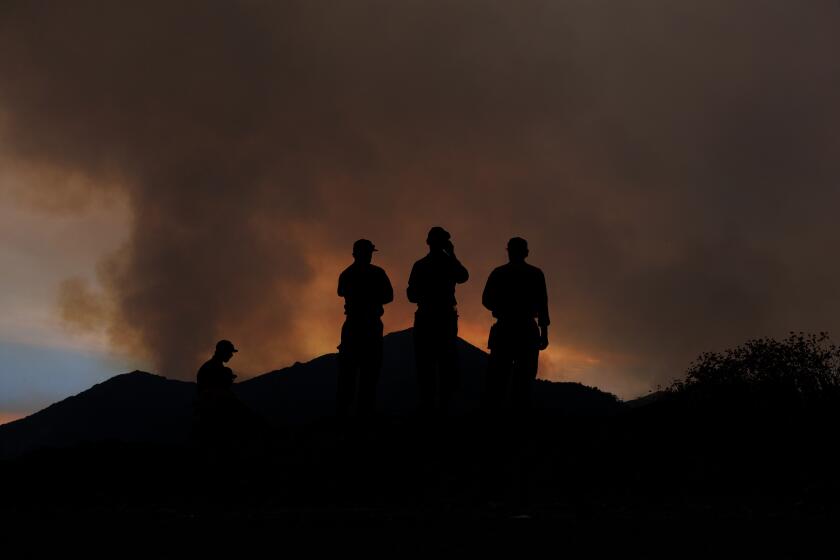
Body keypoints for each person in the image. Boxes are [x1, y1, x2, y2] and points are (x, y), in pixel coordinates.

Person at [481, 237, 549, 414]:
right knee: (523, 382)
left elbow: (486, 300)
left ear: (508, 251)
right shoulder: (535, 274)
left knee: (498, 380)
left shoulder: (499, 273)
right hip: (526, 330)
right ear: (526, 252)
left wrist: (501, 308)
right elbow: (543, 306)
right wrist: (544, 333)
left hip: (505, 329)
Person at [407, 226, 469, 414]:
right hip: (443, 318)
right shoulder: (448, 264)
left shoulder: (420, 265)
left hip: (427, 317)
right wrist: (453, 254)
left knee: (426, 363)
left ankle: (428, 405)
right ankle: (442, 407)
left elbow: (411, 295)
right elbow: (463, 276)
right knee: (444, 362)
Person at [337, 238, 394, 417]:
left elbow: (341, 292)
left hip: (354, 326)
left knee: (352, 373)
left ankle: (348, 414)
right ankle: (363, 414)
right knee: (368, 372)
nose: (369, 256)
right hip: (369, 326)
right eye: (368, 252)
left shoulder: (347, 274)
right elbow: (389, 296)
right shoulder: (377, 273)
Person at [194, 339, 244, 444]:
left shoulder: (211, 366)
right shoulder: (214, 368)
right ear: (223, 352)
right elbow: (212, 392)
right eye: (230, 352)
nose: (231, 355)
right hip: (212, 415)